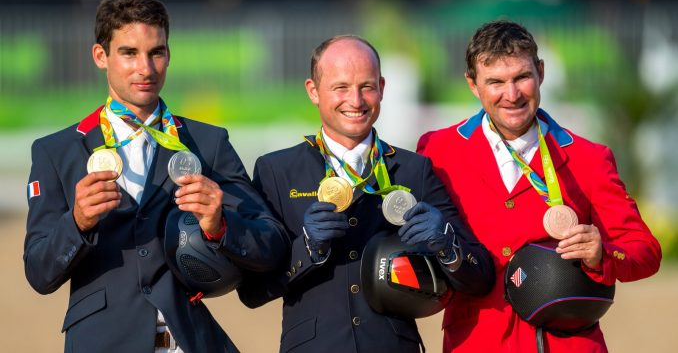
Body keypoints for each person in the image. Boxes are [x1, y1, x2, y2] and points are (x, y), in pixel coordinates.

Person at [23, 0, 287, 353]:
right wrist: (77, 222)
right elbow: (39, 274)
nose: (145, 69)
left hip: (191, 342)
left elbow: (272, 245)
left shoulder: (208, 142)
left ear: (168, 55)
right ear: (101, 56)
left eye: (156, 53)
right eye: (129, 53)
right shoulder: (56, 152)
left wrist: (222, 225)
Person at [236, 35, 494, 352]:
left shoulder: (415, 170)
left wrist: (447, 243)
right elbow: (251, 292)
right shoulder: (276, 170)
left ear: (382, 88)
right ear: (313, 91)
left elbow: (480, 277)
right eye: (341, 87)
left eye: (367, 86)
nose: (356, 100)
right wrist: (306, 249)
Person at [417, 20, 662, 352]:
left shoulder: (589, 157)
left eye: (522, 77)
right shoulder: (437, 150)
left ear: (541, 72)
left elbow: (644, 250)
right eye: (495, 82)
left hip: (565, 344)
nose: (512, 94)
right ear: (473, 85)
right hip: (474, 341)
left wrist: (602, 253)